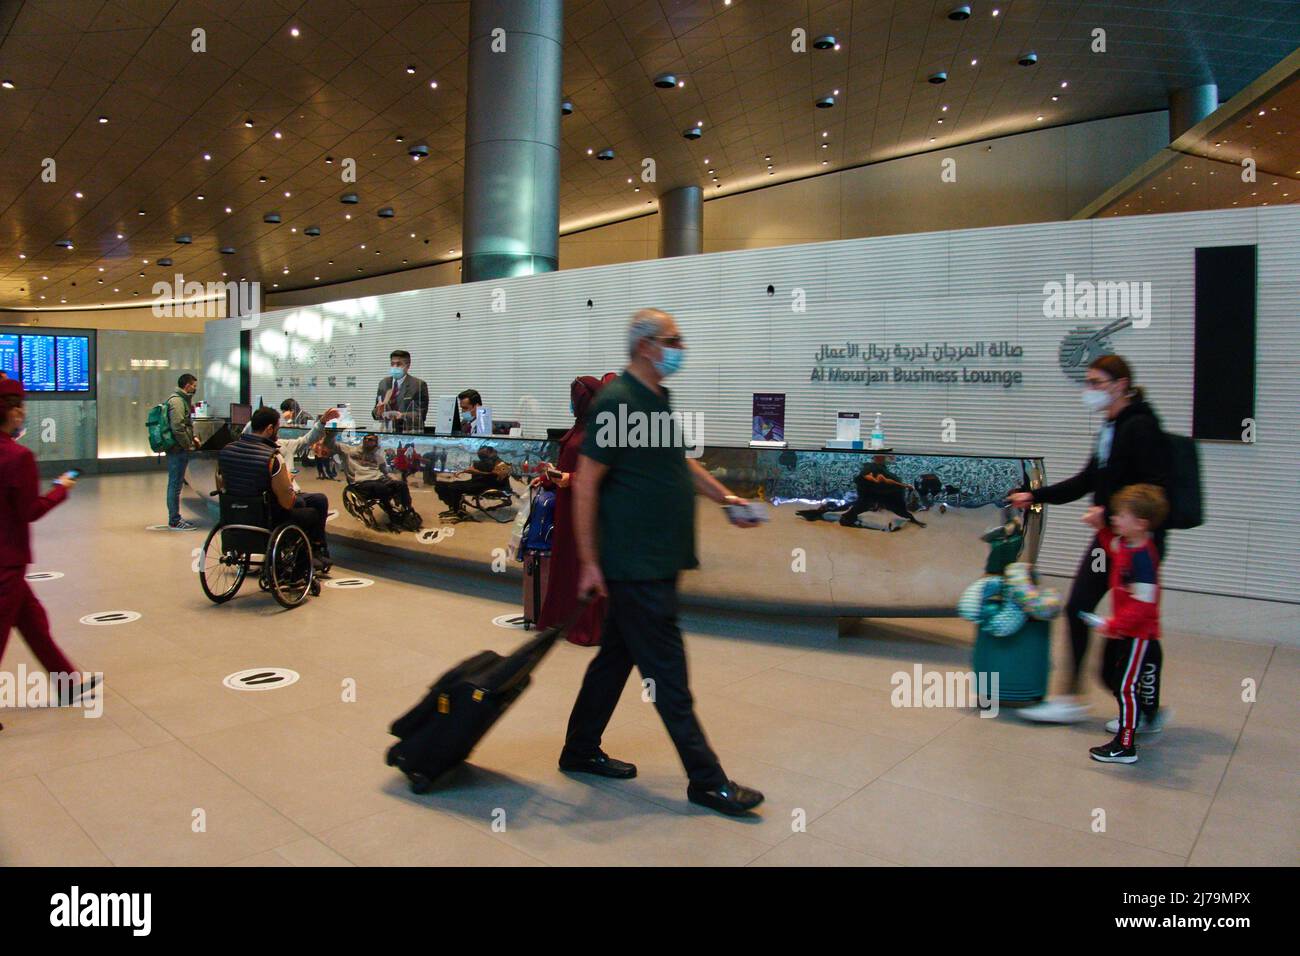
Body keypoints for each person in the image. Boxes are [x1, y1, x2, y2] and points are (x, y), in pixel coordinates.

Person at [561, 308, 765, 817]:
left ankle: (580, 748)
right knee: (668, 674)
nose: (681, 348)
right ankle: (706, 780)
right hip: (635, 564)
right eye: (674, 340)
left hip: (656, 559)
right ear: (648, 345)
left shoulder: (656, 398)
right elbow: (587, 484)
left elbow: (678, 461)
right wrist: (590, 562)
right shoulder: (617, 402)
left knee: (615, 660)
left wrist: (727, 501)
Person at [1008, 354, 1169, 724]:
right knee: (1078, 607)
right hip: (1108, 541)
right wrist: (1036, 494)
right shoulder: (1110, 429)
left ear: (1121, 385)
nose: (1089, 391)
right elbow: (1086, 481)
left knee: (1137, 624)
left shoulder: (1141, 428)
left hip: (1138, 546)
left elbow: (1155, 489)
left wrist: (1110, 509)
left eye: (1096, 383)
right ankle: (1070, 698)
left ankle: (1145, 710)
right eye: (1089, 383)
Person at [0, 378, 98, 725]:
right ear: (11, 411)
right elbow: (30, 510)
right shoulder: (17, 456)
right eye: (21, 407)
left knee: (32, 620)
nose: (23, 413)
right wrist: (60, 488)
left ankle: (66, 681)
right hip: (6, 561)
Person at [1089, 484, 1169, 764]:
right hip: (1127, 633)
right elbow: (1111, 548)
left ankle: (1125, 745)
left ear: (1140, 523)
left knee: (1126, 688)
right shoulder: (1127, 544)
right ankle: (1127, 737)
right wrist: (1100, 527)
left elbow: (1144, 606)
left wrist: (1114, 624)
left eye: (1121, 516)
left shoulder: (1144, 560)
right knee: (1122, 684)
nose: (1115, 519)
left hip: (1138, 636)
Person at [536, 373, 617, 646]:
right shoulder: (581, 427)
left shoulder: (601, 433)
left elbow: (608, 476)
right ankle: (563, 619)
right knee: (567, 563)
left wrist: (570, 479)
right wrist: (549, 476)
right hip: (568, 506)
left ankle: (585, 624)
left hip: (585, 508)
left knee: (580, 562)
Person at [218, 407, 330, 571]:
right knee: (309, 512)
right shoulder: (272, 457)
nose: (278, 433)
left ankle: (317, 551)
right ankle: (303, 561)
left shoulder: (227, 451)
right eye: (277, 429)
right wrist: (289, 483)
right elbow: (287, 501)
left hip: (235, 512)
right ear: (269, 429)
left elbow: (221, 486)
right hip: (267, 514)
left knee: (317, 500)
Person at [339, 433, 417, 519]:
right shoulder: (350, 451)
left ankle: (407, 508)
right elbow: (331, 444)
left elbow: (386, 473)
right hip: (361, 483)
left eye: (371, 439)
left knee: (401, 485)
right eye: (366, 439)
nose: (367, 441)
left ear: (376, 443)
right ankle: (391, 512)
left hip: (377, 479)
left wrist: (396, 480)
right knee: (381, 488)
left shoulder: (378, 457)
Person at [434, 445, 511, 520]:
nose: (482, 457)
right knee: (440, 485)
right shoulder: (483, 463)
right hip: (477, 483)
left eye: (484, 455)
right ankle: (453, 507)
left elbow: (498, 478)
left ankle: (457, 510)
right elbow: (476, 473)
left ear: (492, 452)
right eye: (481, 455)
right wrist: (469, 471)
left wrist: (477, 472)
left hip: (489, 485)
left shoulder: (501, 464)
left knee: (455, 487)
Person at [165, 373, 201, 531]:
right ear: (187, 385)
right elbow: (178, 427)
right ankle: (174, 520)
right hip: (178, 449)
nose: (195, 388)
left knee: (175, 483)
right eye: (194, 385)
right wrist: (188, 445)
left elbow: (184, 425)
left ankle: (174, 518)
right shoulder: (178, 402)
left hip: (178, 448)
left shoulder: (180, 400)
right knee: (175, 485)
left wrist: (192, 438)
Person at [373, 350, 429, 434]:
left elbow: (420, 415)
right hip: (386, 433)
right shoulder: (383, 383)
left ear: (408, 366)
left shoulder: (418, 385)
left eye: (398, 364)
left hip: (408, 433)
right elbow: (375, 414)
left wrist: (401, 415)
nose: (394, 367)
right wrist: (378, 411)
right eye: (392, 364)